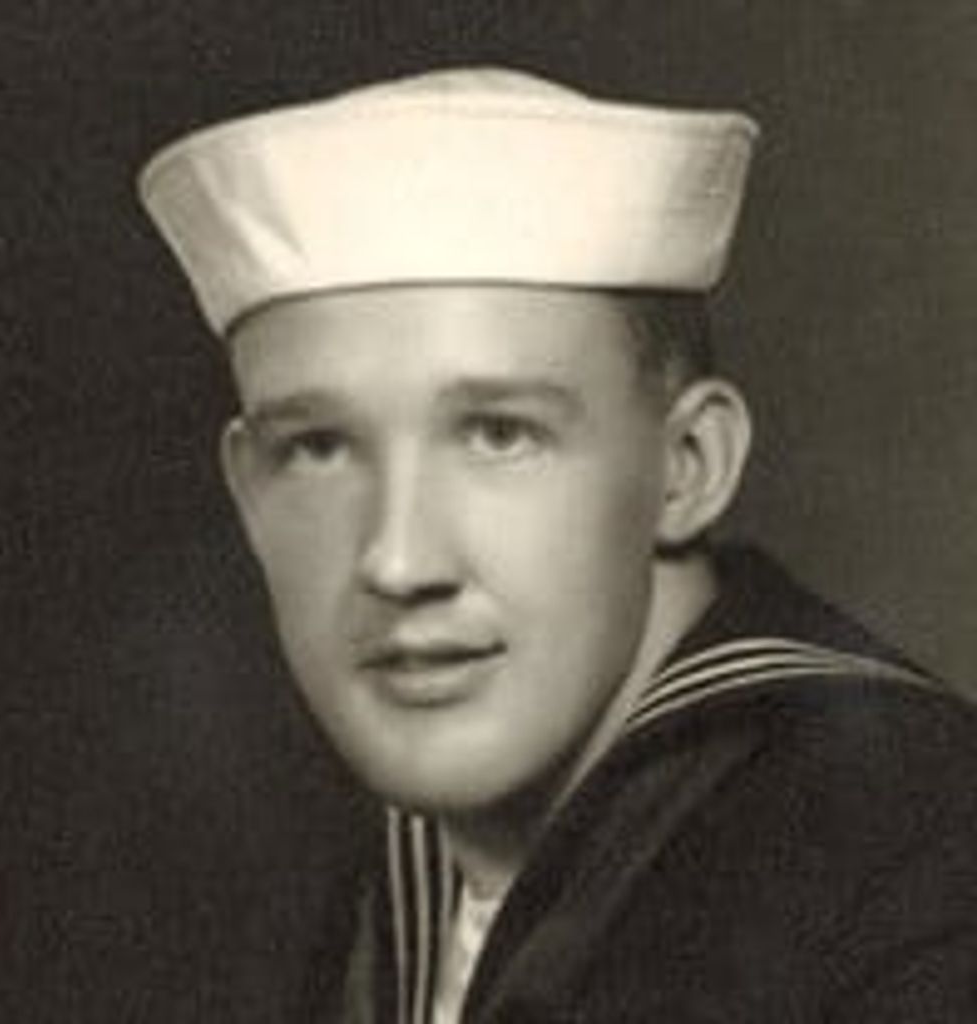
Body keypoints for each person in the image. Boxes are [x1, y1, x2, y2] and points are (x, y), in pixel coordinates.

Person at [137, 67, 977, 1022]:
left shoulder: (926, 867)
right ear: (248, 495)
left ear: (688, 466)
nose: (400, 562)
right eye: (320, 448)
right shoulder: (334, 914)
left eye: (500, 435)